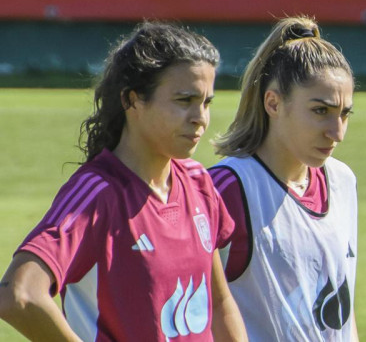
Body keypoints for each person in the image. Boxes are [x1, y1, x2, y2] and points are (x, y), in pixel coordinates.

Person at [0, 22, 247, 341]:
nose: (200, 117)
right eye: (184, 100)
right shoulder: (98, 194)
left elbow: (219, 302)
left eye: (206, 102)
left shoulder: (199, 182)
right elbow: (18, 295)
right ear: (132, 101)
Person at [209, 16, 358, 341]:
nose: (337, 133)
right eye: (321, 111)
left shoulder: (342, 181)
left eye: (345, 113)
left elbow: (343, 308)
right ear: (273, 103)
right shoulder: (225, 189)